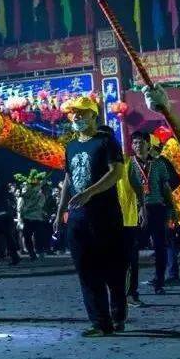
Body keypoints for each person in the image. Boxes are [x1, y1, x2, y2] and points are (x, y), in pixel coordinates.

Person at [54, 96, 126, 336]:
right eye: (73, 113)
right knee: (86, 270)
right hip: (77, 218)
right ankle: (99, 323)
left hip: (105, 216)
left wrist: (89, 192)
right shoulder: (71, 146)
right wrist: (60, 211)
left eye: (82, 113)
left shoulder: (106, 142)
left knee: (112, 270)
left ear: (94, 115)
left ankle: (118, 315)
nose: (77, 117)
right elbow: (68, 179)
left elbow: (116, 173)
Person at [129, 130, 175, 295]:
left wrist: (172, 209)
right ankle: (131, 286)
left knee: (160, 246)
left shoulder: (159, 164)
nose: (138, 145)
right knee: (132, 247)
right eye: (134, 143)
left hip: (157, 208)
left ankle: (159, 282)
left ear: (148, 144)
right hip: (136, 210)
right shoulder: (129, 164)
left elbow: (166, 188)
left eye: (141, 142)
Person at [115, 141, 146, 306]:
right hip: (105, 220)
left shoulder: (127, 162)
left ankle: (130, 293)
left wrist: (142, 210)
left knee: (131, 260)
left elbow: (138, 188)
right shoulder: (97, 163)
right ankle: (116, 295)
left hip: (128, 218)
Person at [17, 175, 46, 260]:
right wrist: (20, 220)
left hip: (37, 218)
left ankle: (40, 251)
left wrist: (27, 209)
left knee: (38, 236)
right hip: (27, 219)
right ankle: (32, 253)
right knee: (27, 237)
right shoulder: (24, 196)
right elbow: (19, 209)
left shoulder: (40, 195)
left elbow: (39, 206)